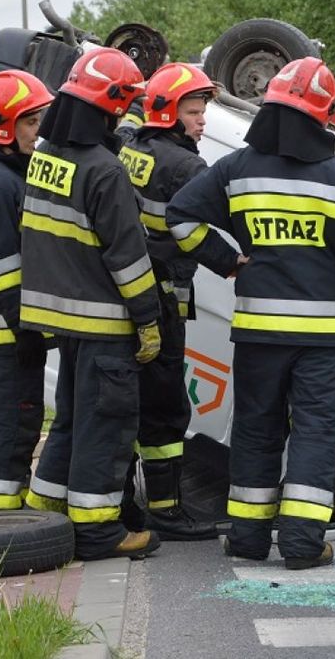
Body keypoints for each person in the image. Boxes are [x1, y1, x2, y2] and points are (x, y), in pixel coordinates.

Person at [166, 57, 335, 569]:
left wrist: (226, 260)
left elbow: (179, 215)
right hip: (322, 337)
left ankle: (247, 539)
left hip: (259, 332)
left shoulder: (237, 168)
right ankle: (304, 545)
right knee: (314, 432)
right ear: (321, 116)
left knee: (256, 430)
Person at [20, 48, 163, 561]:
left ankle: (47, 511)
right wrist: (148, 318)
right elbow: (128, 257)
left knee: (71, 421)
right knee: (106, 425)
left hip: (61, 320)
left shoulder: (46, 157)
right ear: (113, 105)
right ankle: (99, 532)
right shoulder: (105, 170)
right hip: (103, 323)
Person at [114, 63, 220, 541]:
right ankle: (165, 510)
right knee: (166, 408)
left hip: (126, 295)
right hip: (162, 299)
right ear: (169, 114)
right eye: (194, 112)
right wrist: (237, 260)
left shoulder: (130, 146)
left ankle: (123, 505)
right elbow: (204, 229)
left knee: (126, 406)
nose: (202, 122)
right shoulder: (187, 166)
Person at [0, 69, 54, 512]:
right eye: (32, 122)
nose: (41, 132)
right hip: (4, 334)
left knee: (23, 421)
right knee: (5, 424)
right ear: (5, 126)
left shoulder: (9, 175)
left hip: (12, 331)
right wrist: (27, 325)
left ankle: (12, 506)